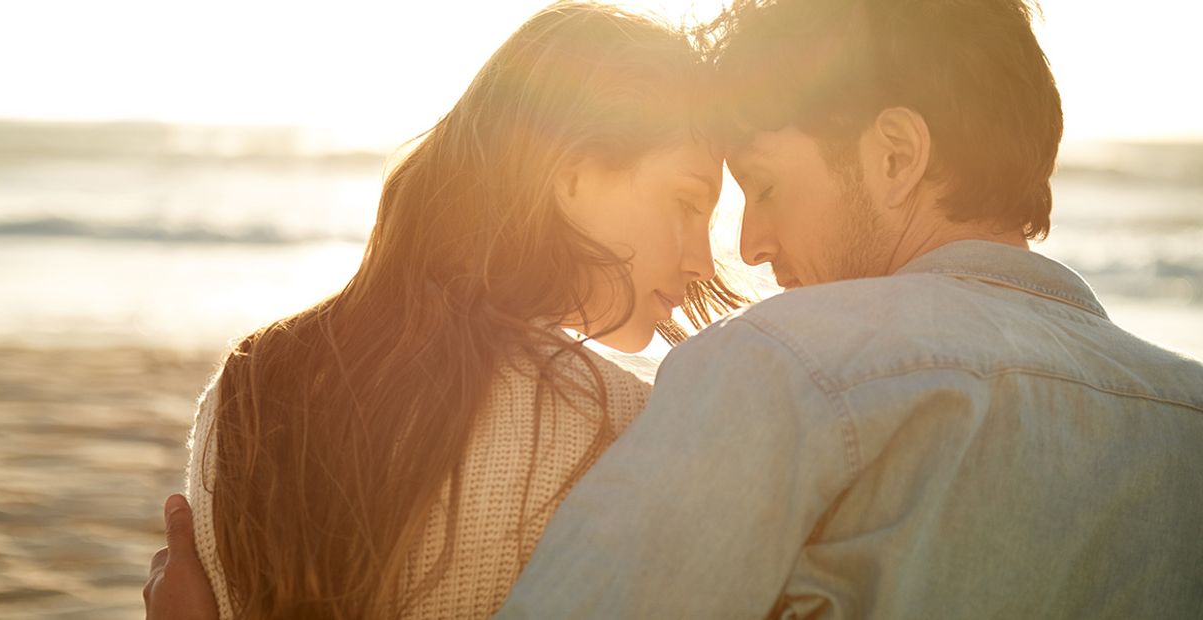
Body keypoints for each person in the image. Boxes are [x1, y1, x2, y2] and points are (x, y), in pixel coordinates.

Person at [494, 0, 1203, 617]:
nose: (752, 243)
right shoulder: (1185, 419)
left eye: (764, 186)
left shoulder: (778, 367)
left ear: (896, 156)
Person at [146, 3, 746, 618]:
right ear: (570, 178)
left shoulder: (249, 384)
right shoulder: (618, 427)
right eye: (686, 202)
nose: (703, 259)